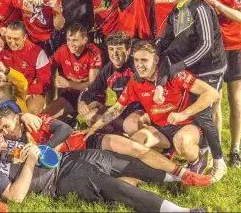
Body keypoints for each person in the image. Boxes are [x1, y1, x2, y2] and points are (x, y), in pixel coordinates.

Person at [0, 122, 208, 212]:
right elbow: (16, 197)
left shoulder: (8, 146)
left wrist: (34, 150)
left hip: (68, 158)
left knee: (123, 162)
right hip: (59, 180)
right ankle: (182, 212)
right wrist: (31, 161)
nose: (1, 135)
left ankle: (180, 179)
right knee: (113, 185)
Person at [86, 41, 220, 179]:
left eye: (144, 60)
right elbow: (118, 108)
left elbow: (212, 94)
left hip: (185, 126)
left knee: (182, 142)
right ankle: (166, 153)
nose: (139, 65)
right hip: (160, 128)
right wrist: (95, 126)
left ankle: (197, 160)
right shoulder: (136, 82)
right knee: (135, 144)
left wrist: (183, 114)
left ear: (156, 60)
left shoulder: (175, 75)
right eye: (136, 60)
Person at [0, 106, 212, 187]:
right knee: (126, 178)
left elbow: (65, 130)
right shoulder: (10, 144)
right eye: (1, 130)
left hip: (89, 141)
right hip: (77, 163)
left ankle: (184, 173)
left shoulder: (35, 121)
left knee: (136, 149)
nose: (5, 132)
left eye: (7, 126)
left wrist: (45, 148)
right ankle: (175, 181)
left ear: (16, 119)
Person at [154, 0, 228, 182]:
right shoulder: (175, 12)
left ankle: (219, 162)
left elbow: (206, 44)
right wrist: (151, 53)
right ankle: (202, 150)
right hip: (191, 68)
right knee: (197, 113)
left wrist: (180, 66)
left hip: (211, 67)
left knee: (202, 113)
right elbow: (164, 42)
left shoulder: (200, 8)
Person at [191, 0, 241, 168]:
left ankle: (235, 149)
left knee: (236, 100)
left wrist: (216, 4)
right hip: (212, 49)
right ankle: (217, 148)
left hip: (234, 47)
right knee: (214, 101)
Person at [78, 31, 147, 136]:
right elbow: (92, 89)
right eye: (111, 49)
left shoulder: (137, 66)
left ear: (128, 51)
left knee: (131, 126)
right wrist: (82, 102)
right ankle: (118, 134)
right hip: (120, 109)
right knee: (90, 117)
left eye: (119, 49)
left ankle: (135, 131)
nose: (114, 54)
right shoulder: (108, 69)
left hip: (139, 110)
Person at [42, 23, 102, 127]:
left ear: (84, 40)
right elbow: (48, 65)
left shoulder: (94, 53)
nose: (70, 43)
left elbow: (91, 85)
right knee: (44, 116)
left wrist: (68, 84)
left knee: (92, 120)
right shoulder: (63, 50)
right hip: (71, 94)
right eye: (68, 39)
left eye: (74, 40)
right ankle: (69, 122)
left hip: (90, 95)